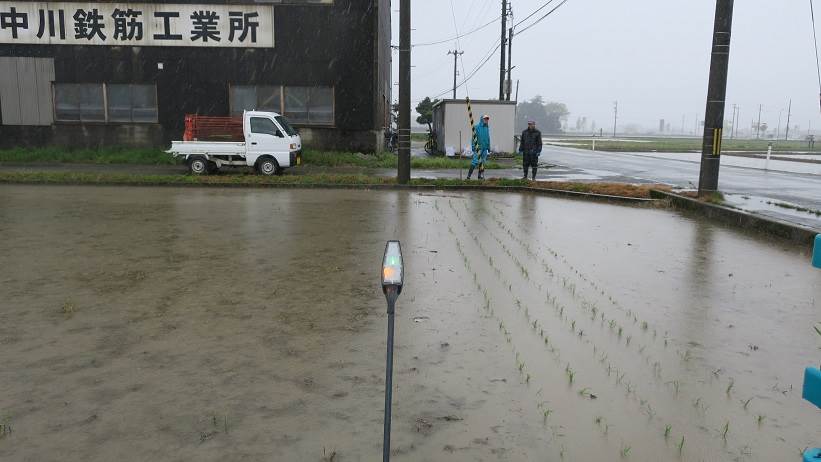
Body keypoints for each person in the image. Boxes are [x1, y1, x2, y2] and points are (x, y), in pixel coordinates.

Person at [468, 115, 491, 180]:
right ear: (482, 119)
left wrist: (488, 147)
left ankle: (479, 176)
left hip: (484, 149)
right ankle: (468, 176)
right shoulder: (476, 127)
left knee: (483, 162)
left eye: (487, 119)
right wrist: (473, 147)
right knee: (475, 162)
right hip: (478, 148)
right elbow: (473, 138)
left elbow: (488, 138)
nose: (486, 120)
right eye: (485, 119)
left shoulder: (487, 128)